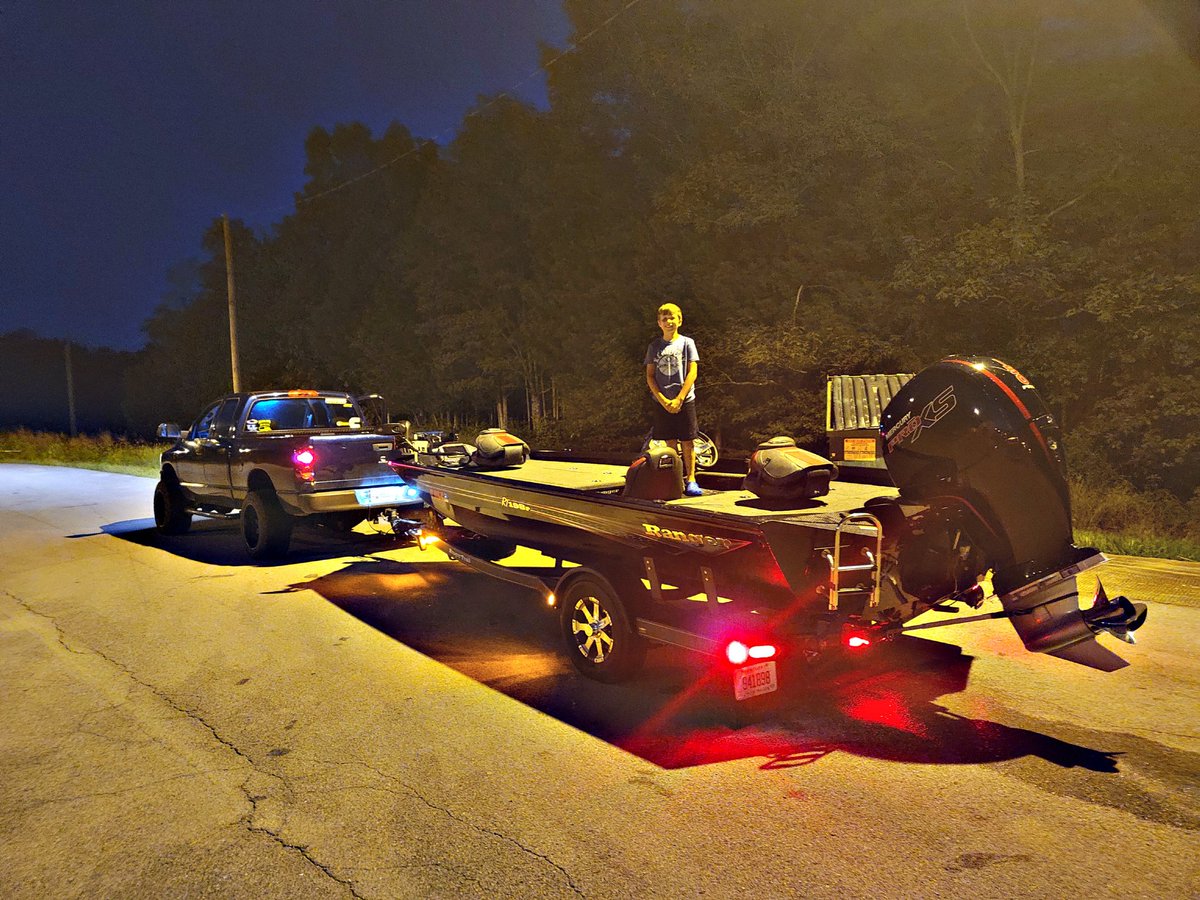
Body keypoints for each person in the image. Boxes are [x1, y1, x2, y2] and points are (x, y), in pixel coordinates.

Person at [644, 302, 703, 496]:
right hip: (662, 402)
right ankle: (675, 478)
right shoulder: (654, 346)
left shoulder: (687, 343)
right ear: (659, 323)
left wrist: (680, 398)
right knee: (670, 442)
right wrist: (663, 400)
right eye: (664, 319)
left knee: (688, 441)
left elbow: (692, 372)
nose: (668, 322)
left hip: (684, 400)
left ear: (680, 320)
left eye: (672, 318)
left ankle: (691, 479)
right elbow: (650, 376)